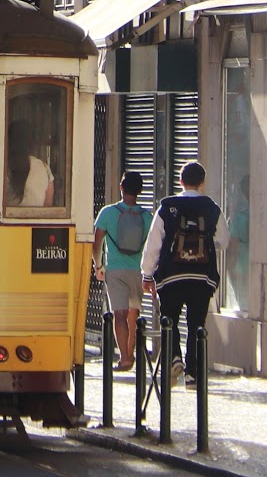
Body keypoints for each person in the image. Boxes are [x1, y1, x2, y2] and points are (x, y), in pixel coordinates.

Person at [142, 160, 229, 388]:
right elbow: (224, 240)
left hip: (171, 276)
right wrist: (204, 246)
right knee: (196, 325)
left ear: (180, 181)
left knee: (169, 319)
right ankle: (192, 374)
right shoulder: (212, 208)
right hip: (202, 278)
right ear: (202, 183)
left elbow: (154, 243)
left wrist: (147, 274)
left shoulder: (167, 207)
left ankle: (174, 358)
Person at [93, 171, 153, 373]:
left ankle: (125, 358)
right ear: (140, 190)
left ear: (121, 187)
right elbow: (153, 246)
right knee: (133, 313)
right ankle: (130, 352)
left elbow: (96, 242)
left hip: (115, 269)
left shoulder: (108, 213)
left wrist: (98, 266)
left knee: (119, 314)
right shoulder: (147, 216)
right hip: (137, 270)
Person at [6, 119, 54, 207]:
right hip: (37, 216)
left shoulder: (3, 166)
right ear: (32, 142)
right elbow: (48, 204)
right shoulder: (44, 168)